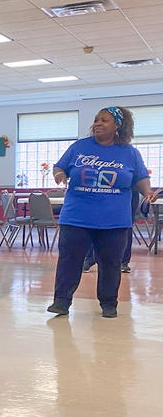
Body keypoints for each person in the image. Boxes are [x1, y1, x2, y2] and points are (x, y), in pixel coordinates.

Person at [47, 106, 156, 318]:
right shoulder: (79, 147)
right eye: (96, 119)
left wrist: (148, 191)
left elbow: (141, 178)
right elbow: (59, 167)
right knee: (70, 260)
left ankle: (108, 303)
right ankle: (61, 302)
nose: (98, 123)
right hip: (77, 217)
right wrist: (59, 174)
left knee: (111, 263)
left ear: (117, 126)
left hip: (114, 220)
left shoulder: (130, 153)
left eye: (104, 120)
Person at [82, 188, 141, 274]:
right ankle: (89, 258)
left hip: (127, 191)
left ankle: (123, 262)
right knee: (95, 223)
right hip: (103, 191)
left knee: (125, 227)